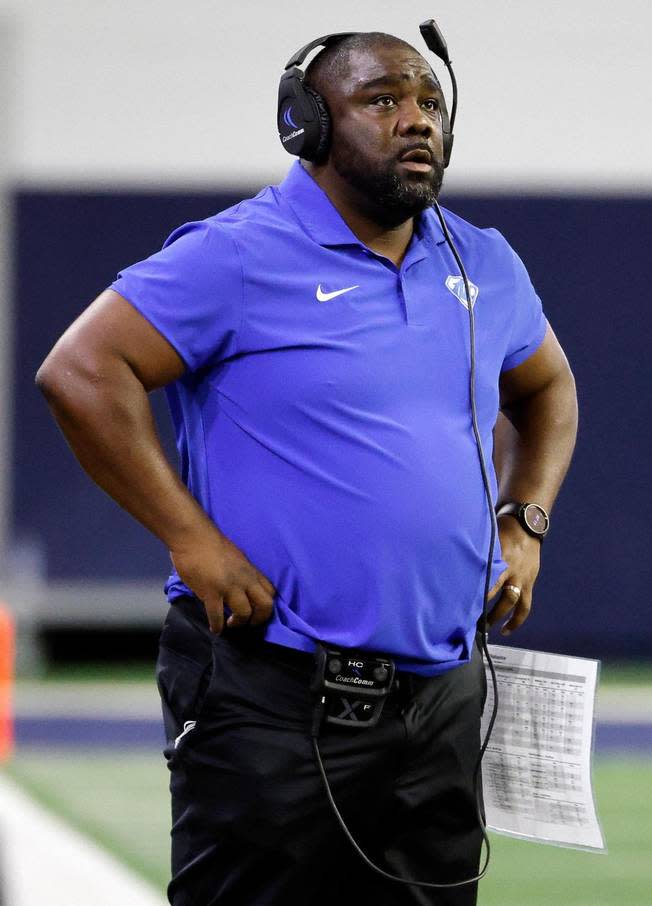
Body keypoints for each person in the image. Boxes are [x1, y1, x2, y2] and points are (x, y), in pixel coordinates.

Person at [35, 29, 578, 906]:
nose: (416, 123)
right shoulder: (239, 253)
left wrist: (526, 521)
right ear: (309, 125)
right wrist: (190, 539)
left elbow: (548, 387)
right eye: (382, 102)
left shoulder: (481, 261)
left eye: (430, 103)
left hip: (440, 698)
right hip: (272, 689)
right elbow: (81, 371)